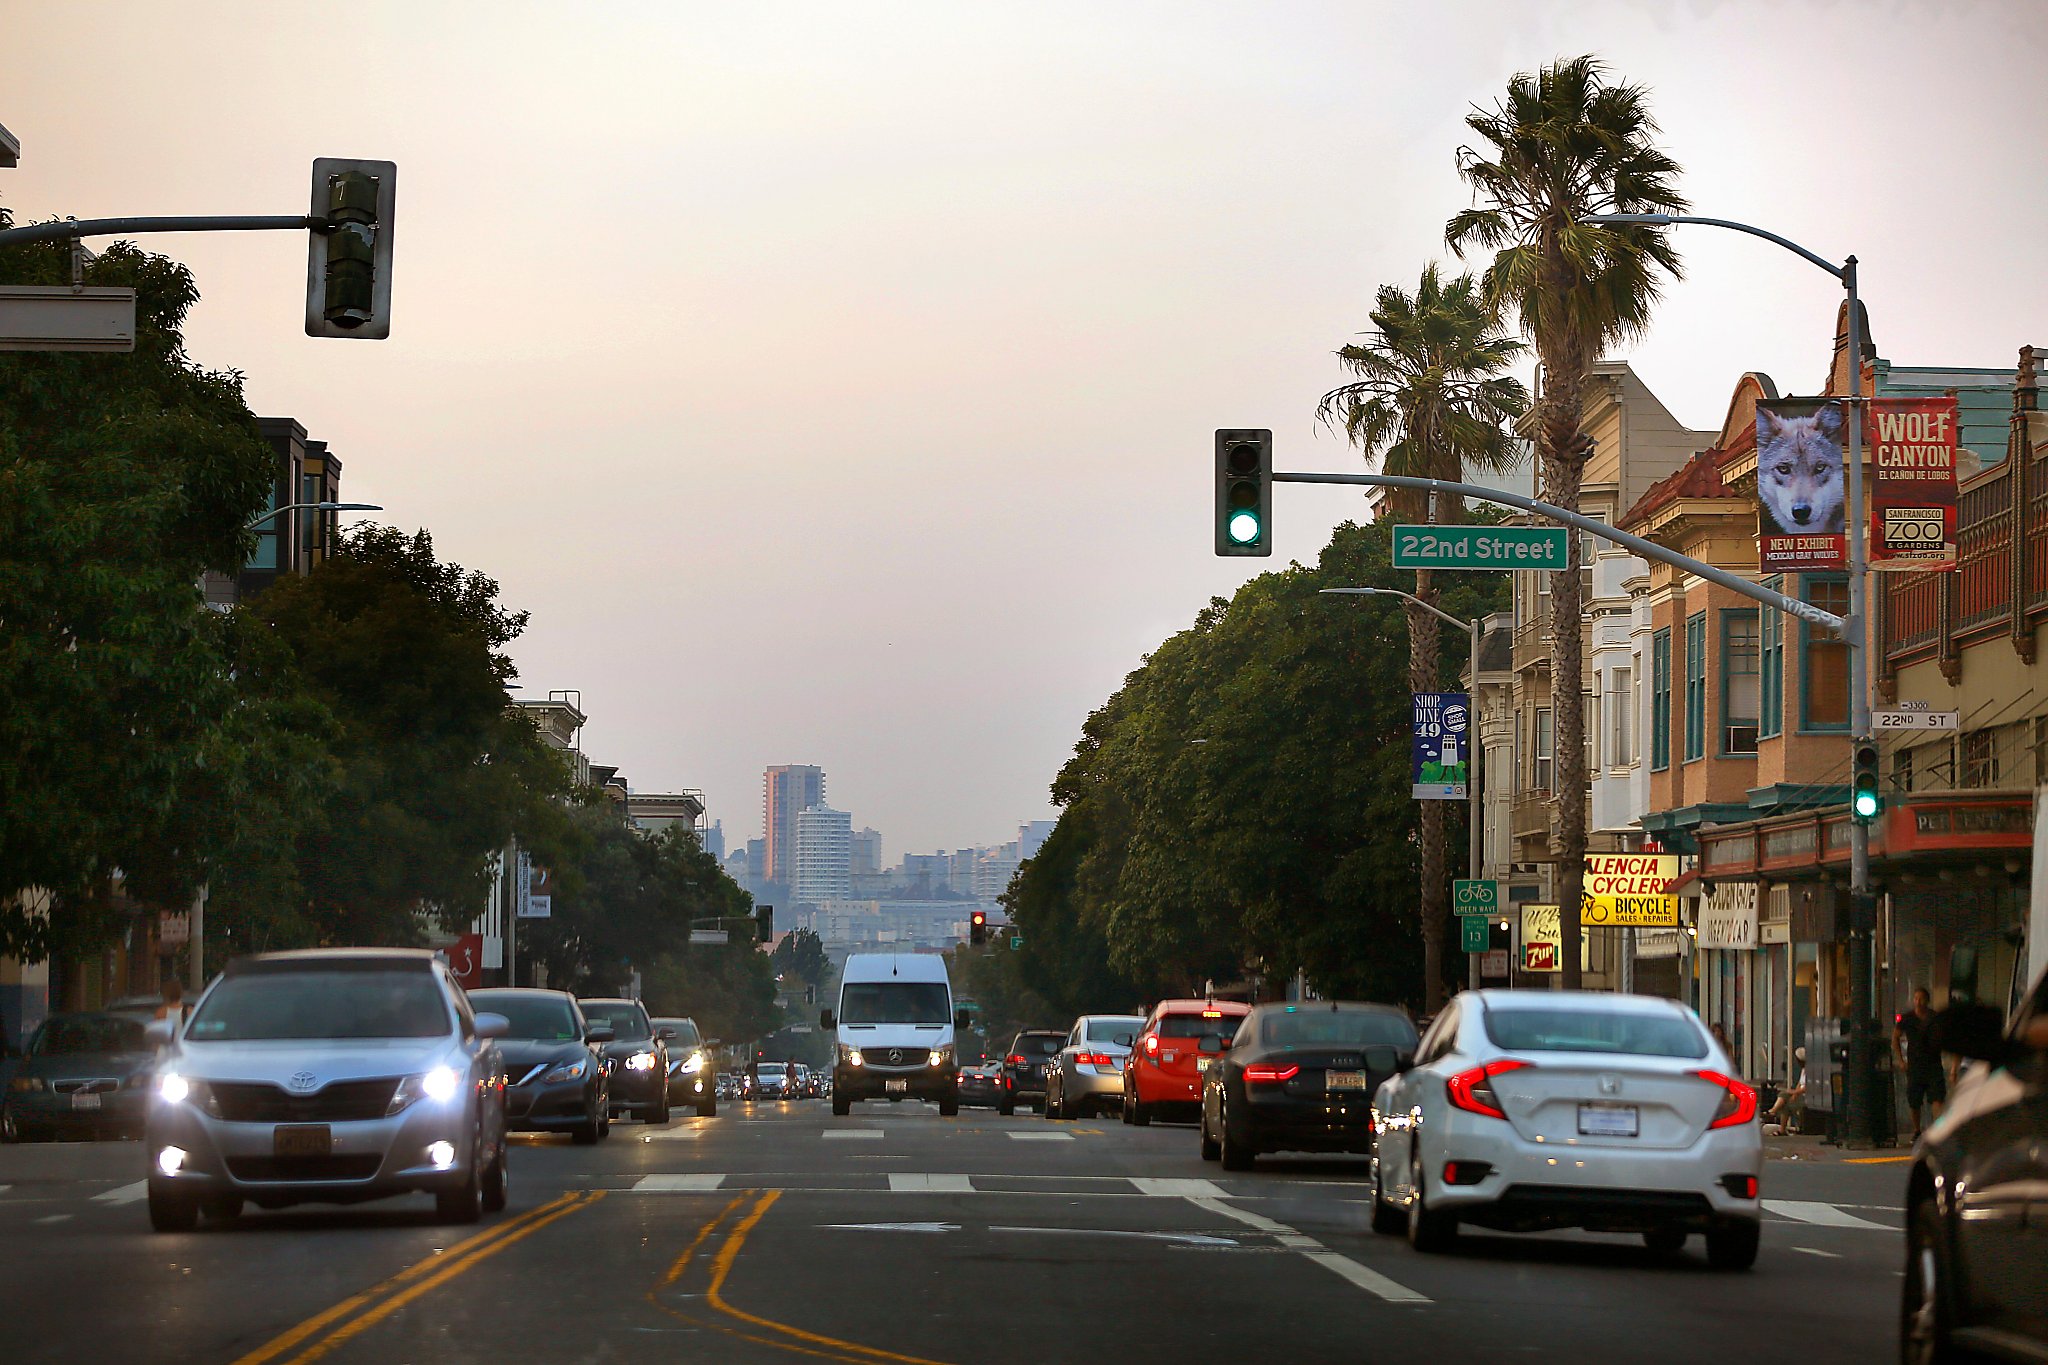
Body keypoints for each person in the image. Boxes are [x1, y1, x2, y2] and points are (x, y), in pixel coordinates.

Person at [1894, 987, 1945, 1140]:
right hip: (1915, 1065)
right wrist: (1901, 1060)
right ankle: (1917, 1130)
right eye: (1916, 999)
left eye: (1921, 999)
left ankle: (1938, 1129)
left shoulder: (1934, 1017)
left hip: (1933, 1063)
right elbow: (1895, 1037)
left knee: (1937, 1097)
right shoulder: (1907, 1019)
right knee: (1914, 1100)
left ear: (1927, 1001)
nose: (1918, 1002)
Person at [1764, 1047, 1806, 1136]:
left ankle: (1773, 1111)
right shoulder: (1803, 1070)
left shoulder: (1811, 1071)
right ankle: (1781, 1127)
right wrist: (1794, 1094)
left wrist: (1794, 1092)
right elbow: (1799, 1083)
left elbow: (1806, 1087)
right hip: (1799, 1094)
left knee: (1785, 1098)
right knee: (1785, 1099)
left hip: (1805, 1096)